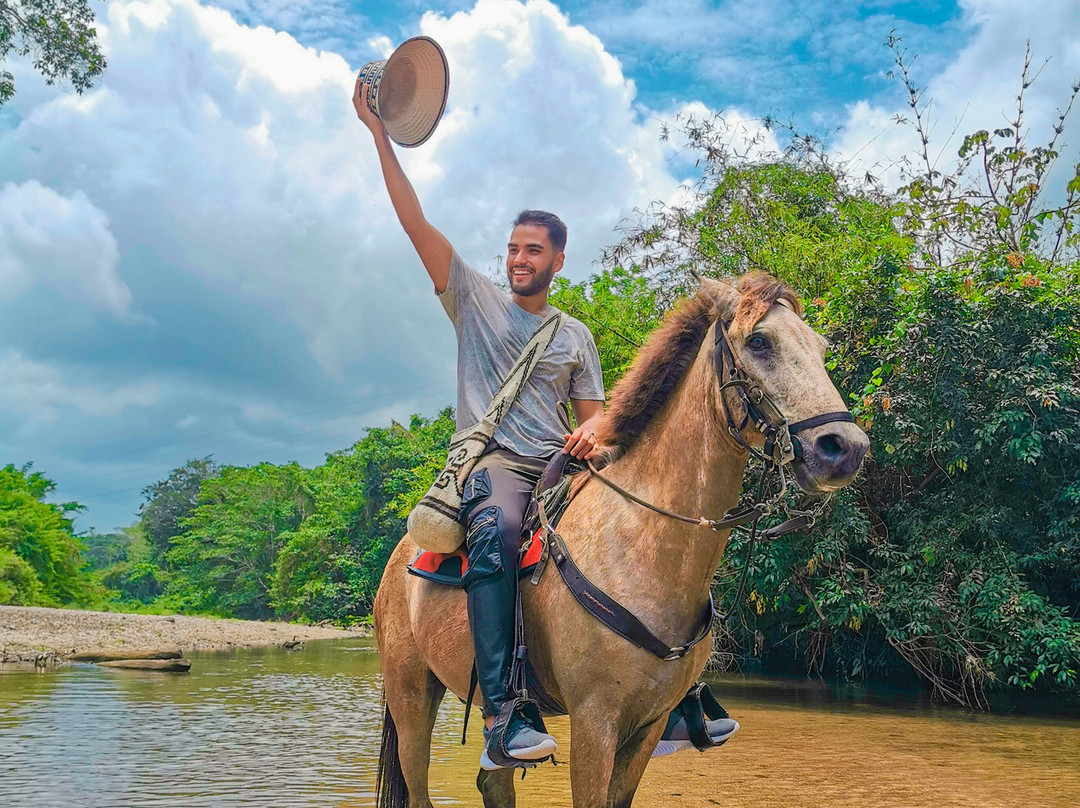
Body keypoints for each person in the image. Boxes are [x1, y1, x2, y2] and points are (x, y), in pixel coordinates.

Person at [353, 76, 737, 770]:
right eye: (513, 249)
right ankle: (504, 711)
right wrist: (381, 135)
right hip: (496, 466)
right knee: (496, 534)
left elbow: (596, 423)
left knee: (664, 529)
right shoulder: (473, 300)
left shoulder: (575, 335)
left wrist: (595, 436)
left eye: (533, 251)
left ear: (558, 261)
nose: (518, 259)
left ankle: (681, 688)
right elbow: (413, 222)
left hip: (562, 467)